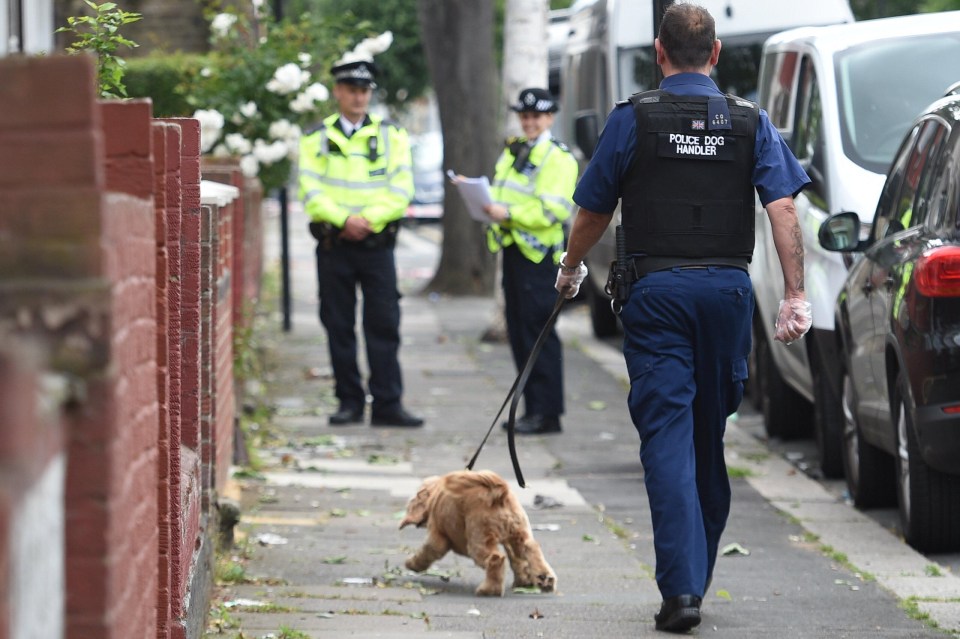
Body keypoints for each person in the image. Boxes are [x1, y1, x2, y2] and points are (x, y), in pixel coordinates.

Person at [554, 4, 812, 633]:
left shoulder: (633, 119)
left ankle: (683, 589)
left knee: (667, 439)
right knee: (707, 438)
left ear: (658, 53)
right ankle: (692, 580)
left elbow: (593, 206)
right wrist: (795, 295)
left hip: (657, 295)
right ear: (716, 53)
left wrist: (570, 268)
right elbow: (782, 208)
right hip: (726, 295)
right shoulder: (751, 122)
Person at [298, 59, 423, 428]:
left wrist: (368, 219)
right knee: (339, 326)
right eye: (352, 90)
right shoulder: (315, 136)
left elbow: (402, 189)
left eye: (364, 90)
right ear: (338, 92)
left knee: (384, 325)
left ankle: (388, 404)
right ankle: (349, 402)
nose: (358, 97)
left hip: (377, 246)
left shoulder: (392, 135)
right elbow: (310, 188)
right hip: (335, 244)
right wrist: (344, 220)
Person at [484, 87, 579, 435]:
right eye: (524, 116)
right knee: (521, 333)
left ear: (550, 117)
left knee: (539, 334)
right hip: (514, 251)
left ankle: (547, 413)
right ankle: (532, 409)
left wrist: (506, 212)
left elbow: (553, 210)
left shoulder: (558, 157)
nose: (529, 122)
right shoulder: (515, 150)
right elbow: (501, 190)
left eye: (536, 116)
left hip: (539, 257)